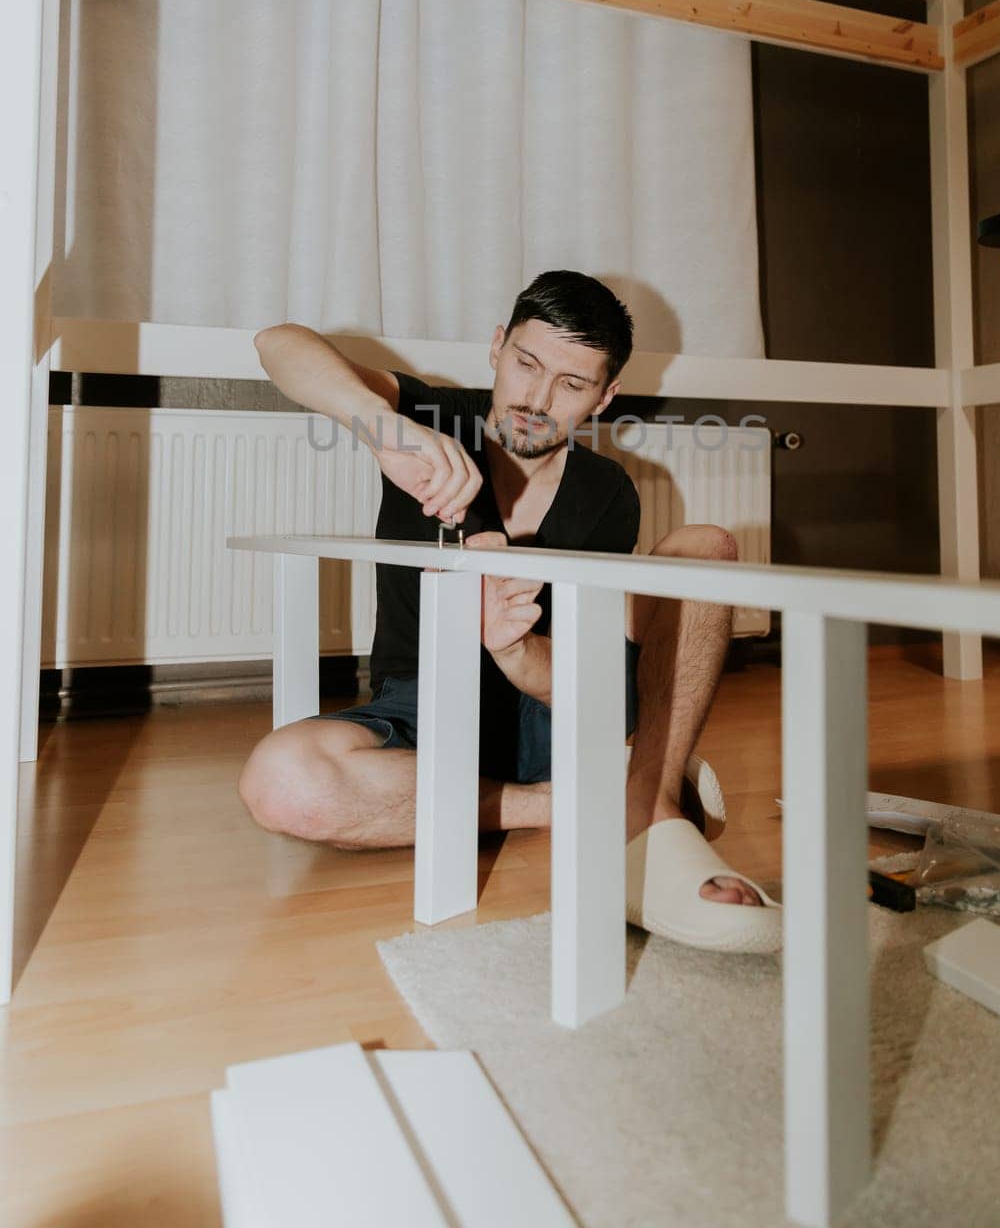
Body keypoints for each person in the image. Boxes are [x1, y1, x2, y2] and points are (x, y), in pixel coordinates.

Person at [238, 270, 780, 951]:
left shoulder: (604, 491)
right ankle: (582, 801)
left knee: (703, 547)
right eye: (526, 364)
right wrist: (386, 432)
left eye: (571, 384)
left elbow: (583, 679)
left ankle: (648, 807)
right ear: (497, 346)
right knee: (281, 782)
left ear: (604, 396)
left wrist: (513, 649)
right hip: (424, 707)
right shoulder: (430, 419)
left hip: (555, 708)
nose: (536, 398)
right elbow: (277, 343)